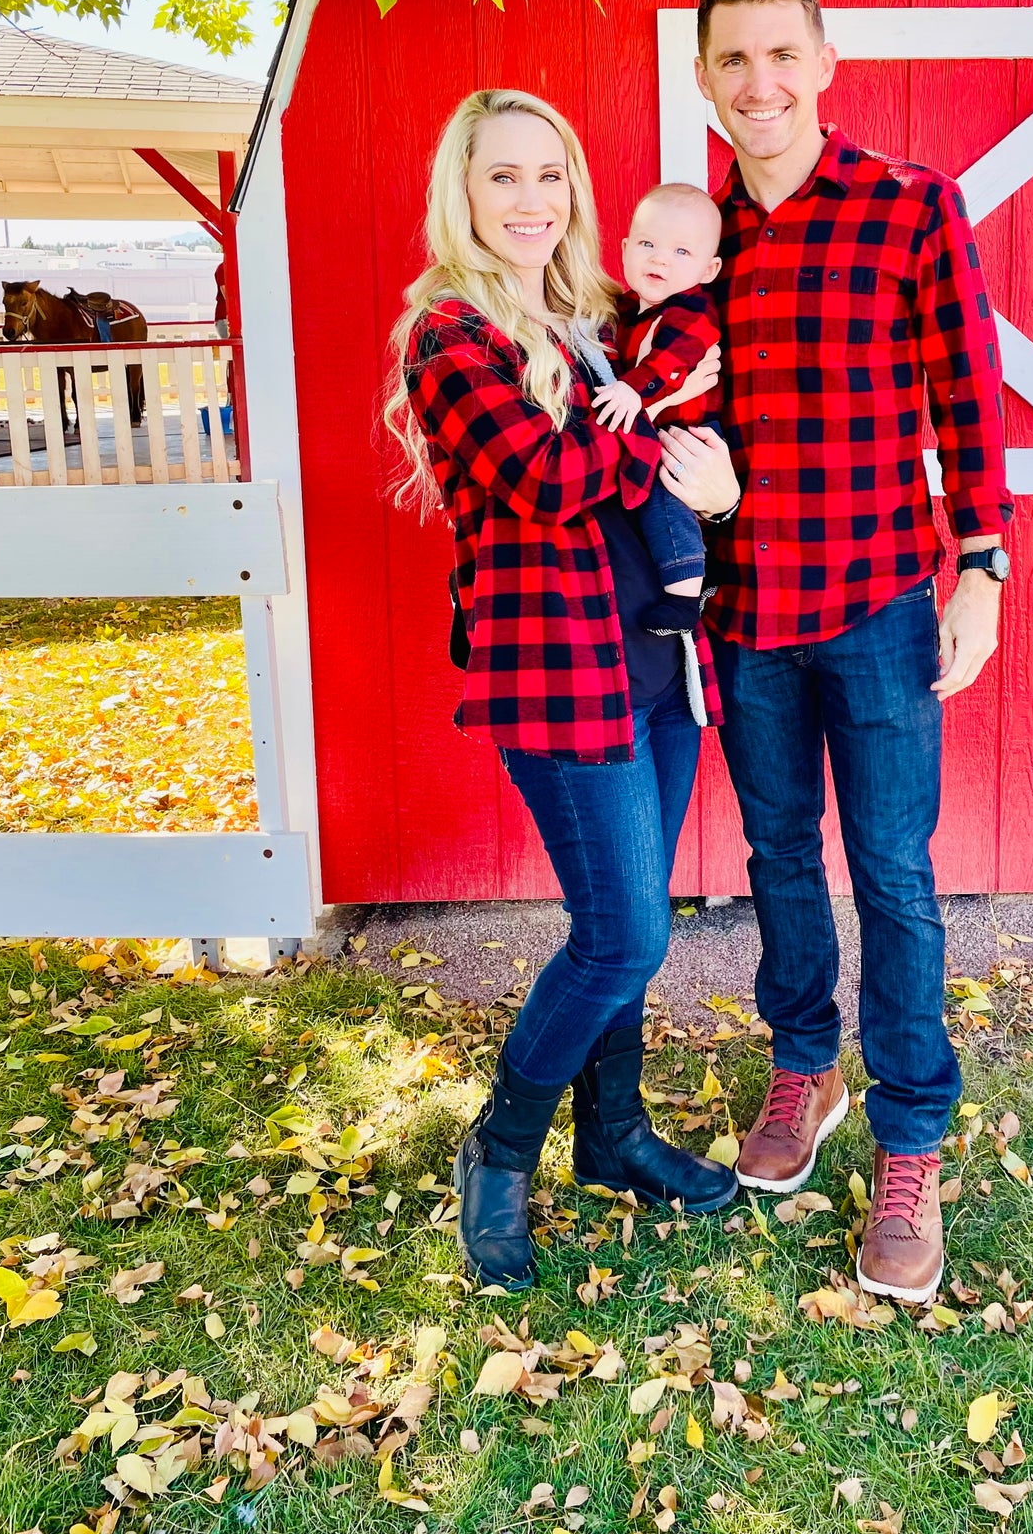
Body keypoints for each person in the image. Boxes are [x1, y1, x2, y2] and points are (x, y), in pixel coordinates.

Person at [667, 0, 1014, 1305]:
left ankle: (911, 1140)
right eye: (733, 61)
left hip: (874, 605)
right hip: (746, 617)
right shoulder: (700, 245)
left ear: (823, 65)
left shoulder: (909, 206)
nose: (759, 82)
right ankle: (802, 1067)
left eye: (779, 55)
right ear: (705, 79)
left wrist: (981, 559)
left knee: (894, 874)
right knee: (776, 858)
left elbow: (968, 394)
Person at [382, 88, 743, 1291]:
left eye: (551, 175)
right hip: (557, 673)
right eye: (504, 176)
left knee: (627, 935)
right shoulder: (453, 333)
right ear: (464, 190)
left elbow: (698, 413)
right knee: (626, 930)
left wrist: (718, 477)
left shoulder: (592, 318)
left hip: (652, 667)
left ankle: (618, 1135)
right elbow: (547, 476)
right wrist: (669, 444)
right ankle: (502, 1145)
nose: (532, 198)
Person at [590, 182, 724, 636]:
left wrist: (633, 391)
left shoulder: (691, 312)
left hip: (691, 431)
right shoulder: (626, 308)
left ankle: (684, 597)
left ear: (709, 269)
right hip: (658, 425)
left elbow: (674, 363)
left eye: (681, 252)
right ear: (625, 248)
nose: (660, 259)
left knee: (663, 498)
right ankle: (697, 575)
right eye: (647, 244)